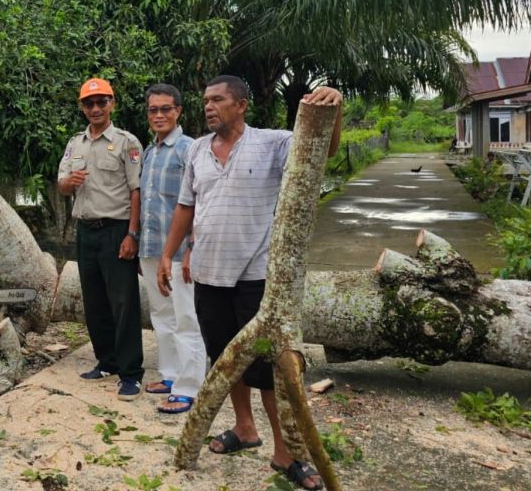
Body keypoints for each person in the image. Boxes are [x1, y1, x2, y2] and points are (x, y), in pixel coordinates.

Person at [157, 75, 341, 490]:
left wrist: (335, 108)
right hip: (208, 275)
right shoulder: (197, 151)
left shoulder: (273, 142)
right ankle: (244, 429)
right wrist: (170, 253)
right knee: (225, 359)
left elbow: (321, 150)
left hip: (256, 277)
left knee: (267, 369)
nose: (208, 107)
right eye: (206, 100)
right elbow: (187, 207)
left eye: (218, 99)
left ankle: (286, 452)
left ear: (240, 105)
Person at [56, 77, 145, 400]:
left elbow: (137, 191)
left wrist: (132, 234)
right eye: (89, 103)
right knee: (94, 301)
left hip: (116, 230)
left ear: (112, 104)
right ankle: (106, 361)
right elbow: (62, 185)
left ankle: (131, 372)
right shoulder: (74, 144)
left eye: (101, 102)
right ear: (82, 108)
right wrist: (70, 182)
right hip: (87, 231)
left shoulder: (127, 142)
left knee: (124, 303)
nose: (95, 108)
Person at [137, 83, 207, 414]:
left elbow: (198, 201)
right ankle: (169, 374)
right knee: (161, 315)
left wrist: (191, 246)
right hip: (151, 249)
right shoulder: (150, 152)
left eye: (166, 109)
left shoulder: (189, 149)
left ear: (178, 111)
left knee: (186, 318)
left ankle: (189, 387)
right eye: (154, 109)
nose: (160, 115)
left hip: (178, 253)